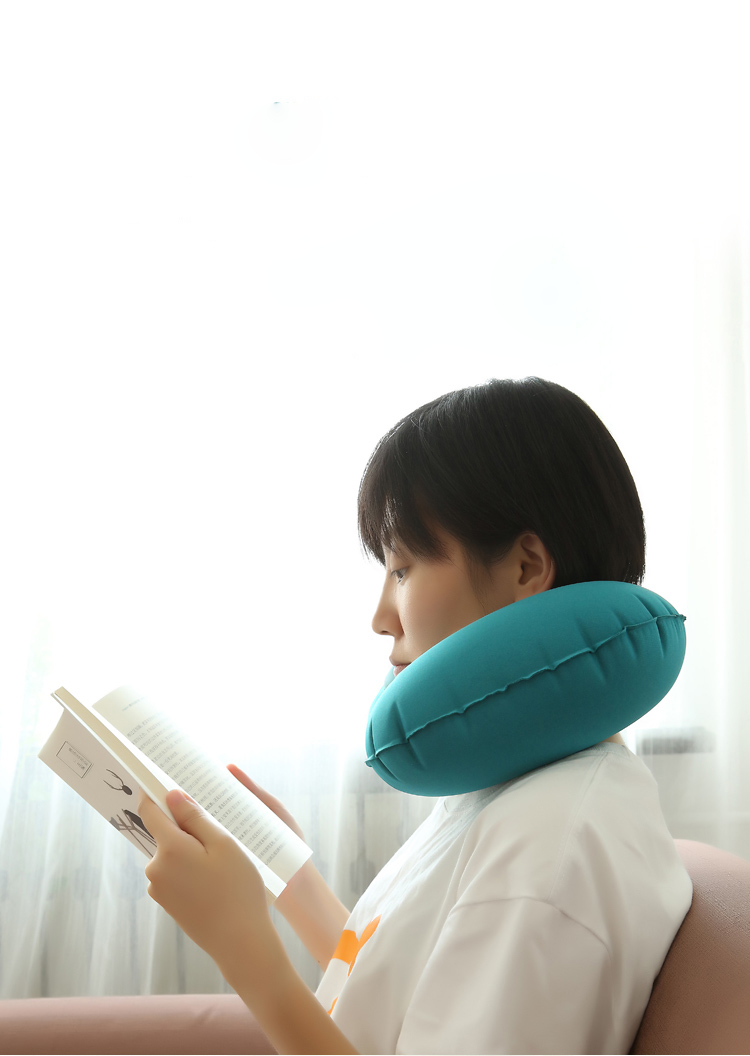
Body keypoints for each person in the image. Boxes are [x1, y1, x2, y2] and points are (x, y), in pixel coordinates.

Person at [139, 377, 693, 1055]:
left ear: (526, 568)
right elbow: (401, 998)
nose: (380, 618)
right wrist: (292, 881)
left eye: (401, 570)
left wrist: (245, 952)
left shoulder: (553, 849)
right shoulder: (524, 788)